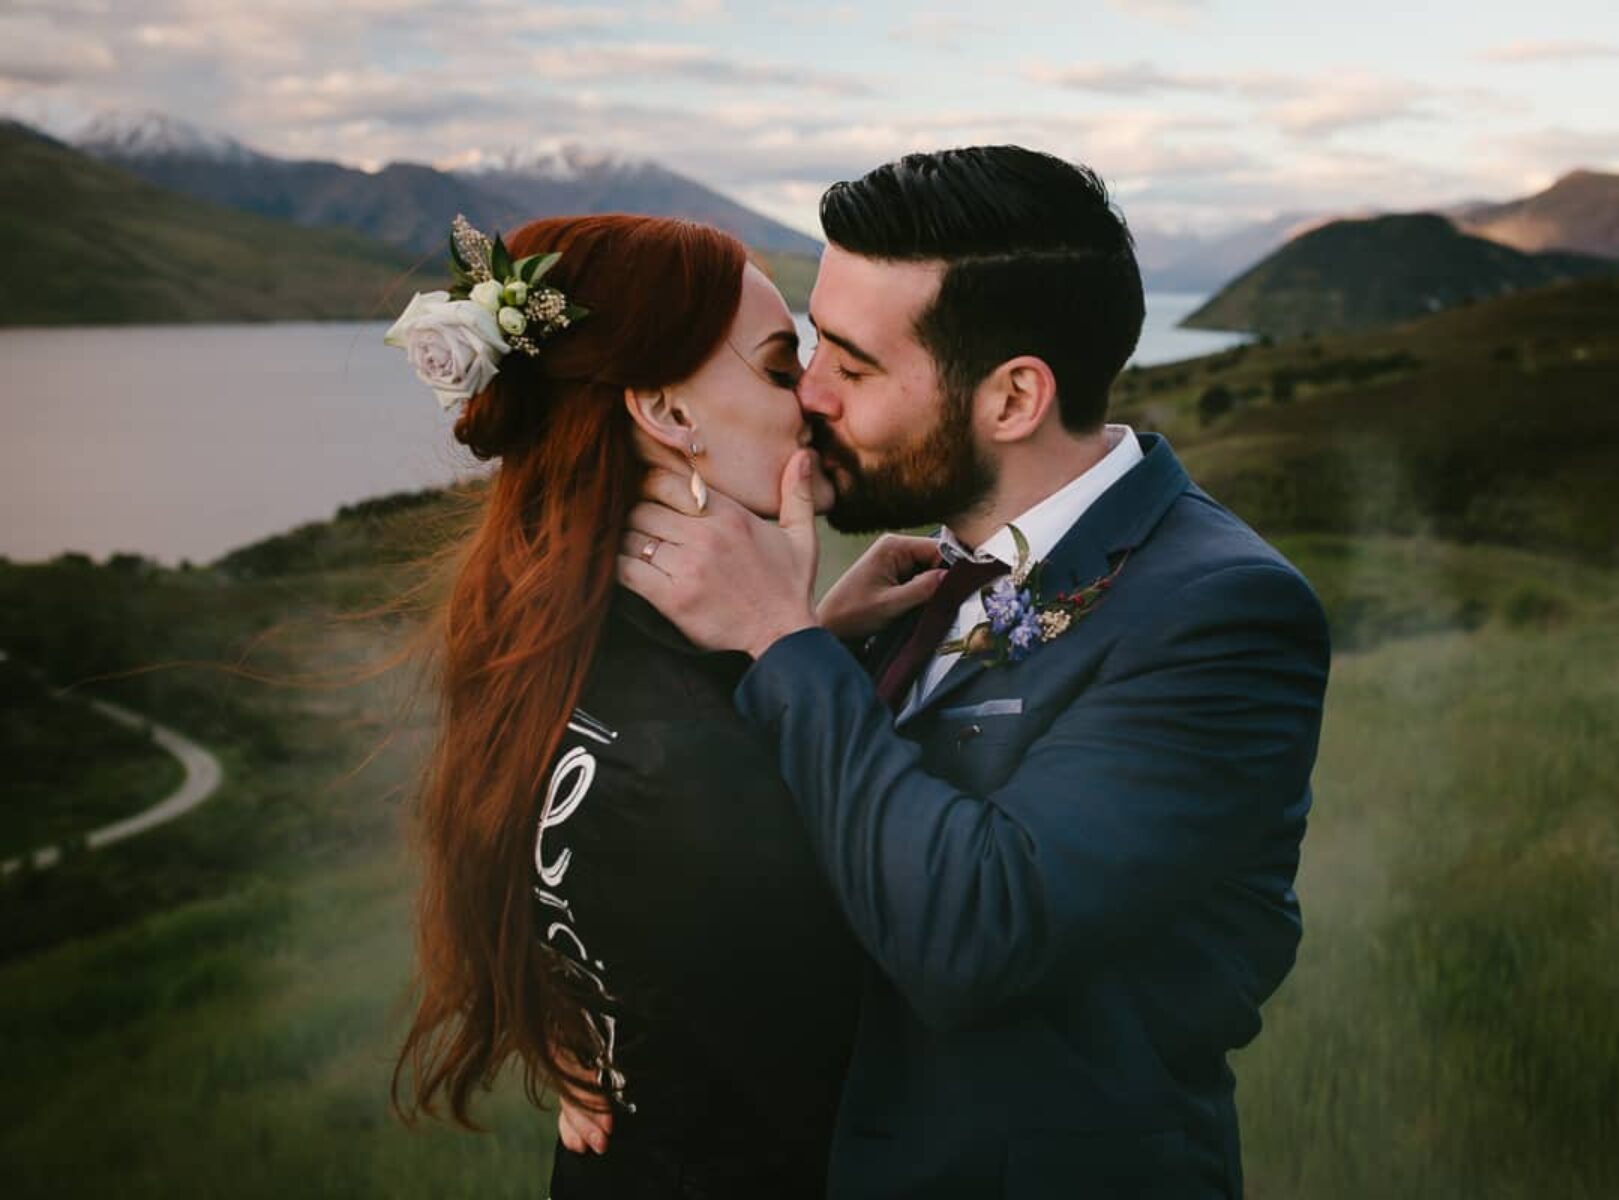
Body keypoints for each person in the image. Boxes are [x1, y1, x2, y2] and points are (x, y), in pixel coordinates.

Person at [612, 146, 1333, 1198]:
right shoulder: (913, 588)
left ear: (1012, 400)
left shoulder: (1222, 614)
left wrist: (784, 645)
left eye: (853, 368)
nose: (808, 394)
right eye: (814, 346)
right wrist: (602, 1014)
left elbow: (975, 931)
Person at [386, 213, 936, 1197]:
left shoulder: (551, 655)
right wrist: (790, 647)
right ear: (667, 414)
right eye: (778, 366)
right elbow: (879, 1070)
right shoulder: (691, 761)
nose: (812, 395)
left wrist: (803, 639)